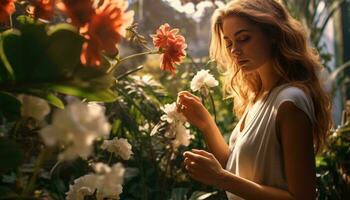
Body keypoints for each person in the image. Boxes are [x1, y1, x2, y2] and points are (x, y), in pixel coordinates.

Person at [176, 0, 333, 199]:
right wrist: (206, 124)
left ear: (273, 34)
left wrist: (220, 177)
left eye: (244, 38)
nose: (234, 51)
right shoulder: (259, 99)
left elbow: (303, 197)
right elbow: (236, 169)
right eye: (229, 43)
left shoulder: (290, 102)